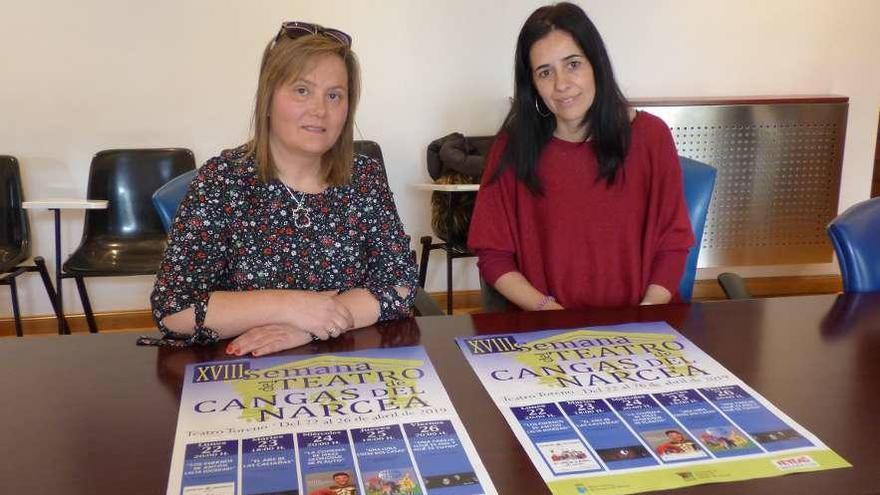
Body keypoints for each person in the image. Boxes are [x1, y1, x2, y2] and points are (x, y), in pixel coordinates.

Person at [145, 22, 417, 355]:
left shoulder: (364, 177)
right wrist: (291, 306)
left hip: (346, 363)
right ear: (268, 97)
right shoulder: (221, 182)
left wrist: (310, 327)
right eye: (302, 90)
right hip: (243, 370)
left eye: (334, 95)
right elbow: (174, 310)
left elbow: (399, 284)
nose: (320, 110)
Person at [468, 3, 693, 311]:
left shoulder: (651, 136)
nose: (561, 85)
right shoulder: (511, 148)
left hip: (645, 324)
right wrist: (549, 312)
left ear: (596, 64)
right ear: (532, 84)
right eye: (545, 72)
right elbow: (493, 257)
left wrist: (646, 315)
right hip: (548, 329)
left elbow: (673, 244)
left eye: (573, 64)